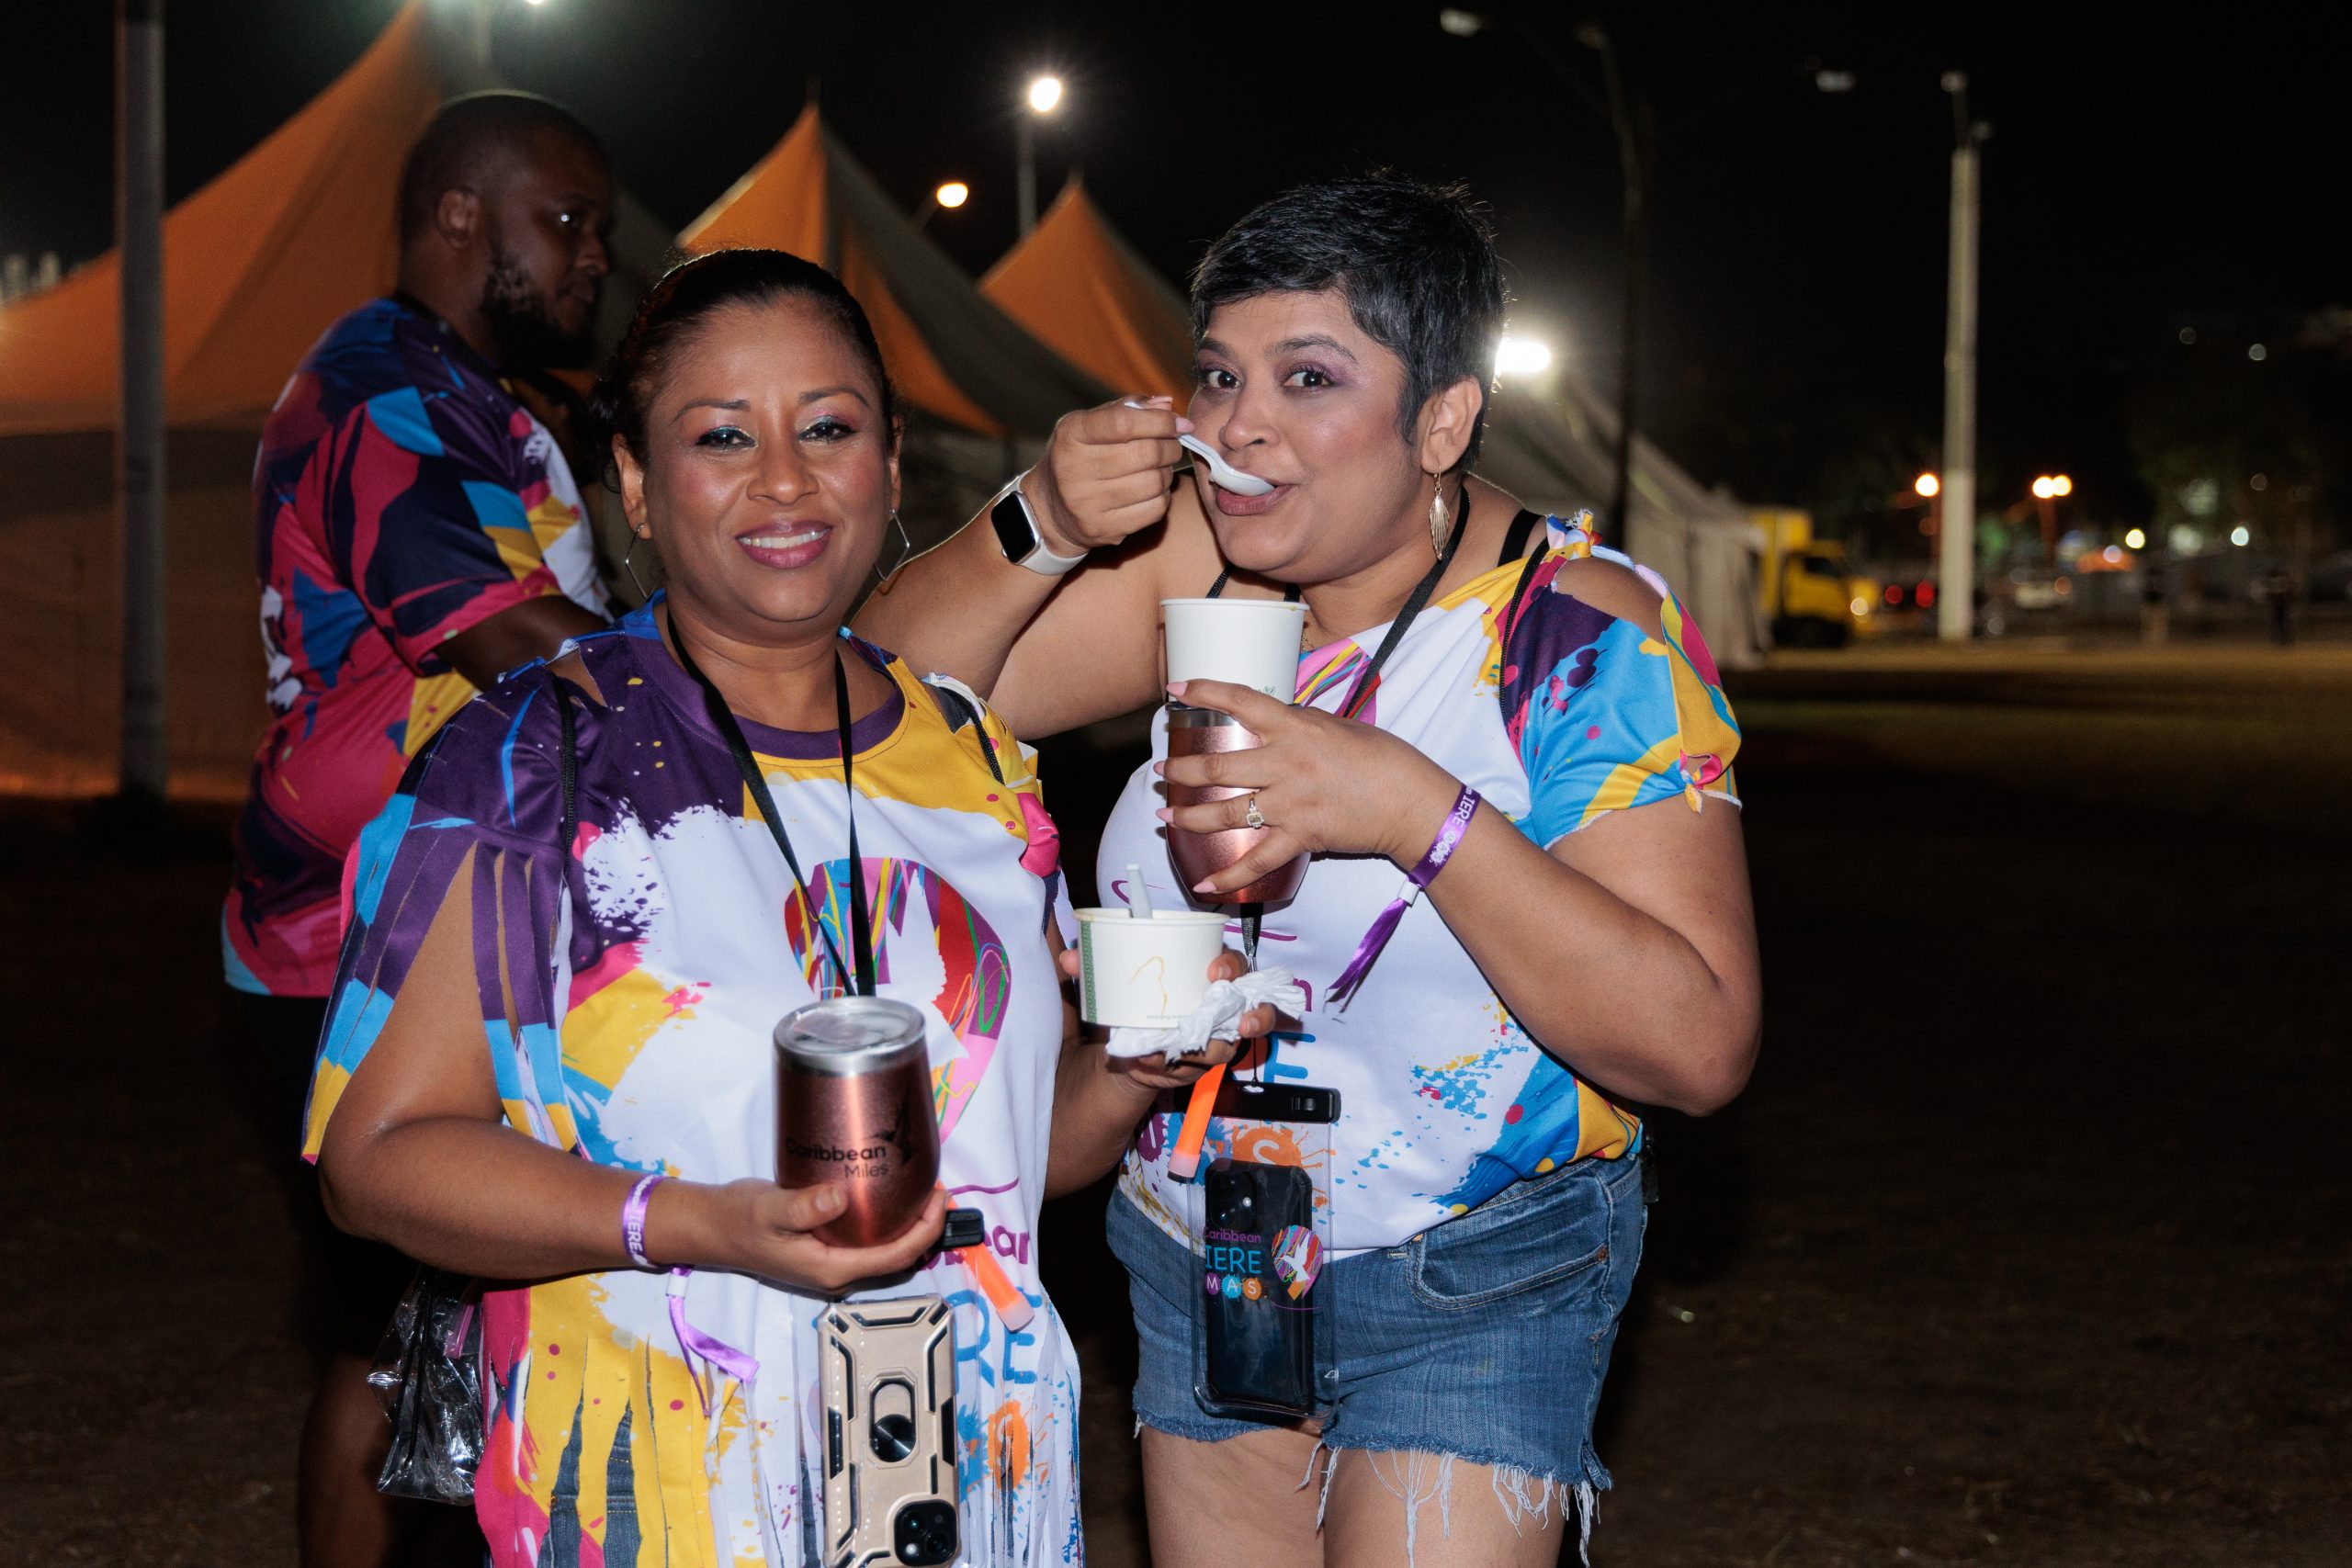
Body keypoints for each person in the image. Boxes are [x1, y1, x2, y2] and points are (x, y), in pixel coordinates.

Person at [303, 247, 1265, 1568]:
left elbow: (1007, 1152)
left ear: (891, 460)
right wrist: (695, 1223)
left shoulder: (972, 758)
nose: (784, 482)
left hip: (969, 1472)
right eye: (721, 437)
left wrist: (1136, 1068)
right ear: (634, 482)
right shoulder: (530, 764)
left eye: (828, 429)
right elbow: (377, 1160)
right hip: (662, 1483)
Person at [856, 175, 1763, 1567]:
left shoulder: (1579, 638)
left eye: (1310, 377)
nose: (1240, 424)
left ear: (1442, 421)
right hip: (1205, 1246)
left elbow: (1697, 1047)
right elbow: (873, 704)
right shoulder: (1207, 579)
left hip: (1471, 1271)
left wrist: (1413, 812)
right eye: (1220, 374)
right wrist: (1039, 516)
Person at [221, 91, 617, 1566]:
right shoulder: (383, 393)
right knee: (396, 1346)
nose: (593, 258)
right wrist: (760, 708)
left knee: (447, 1331)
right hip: (354, 940)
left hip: (430, 921)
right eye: (567, 222)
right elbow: (512, 635)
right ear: (461, 215)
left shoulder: (466, 390)